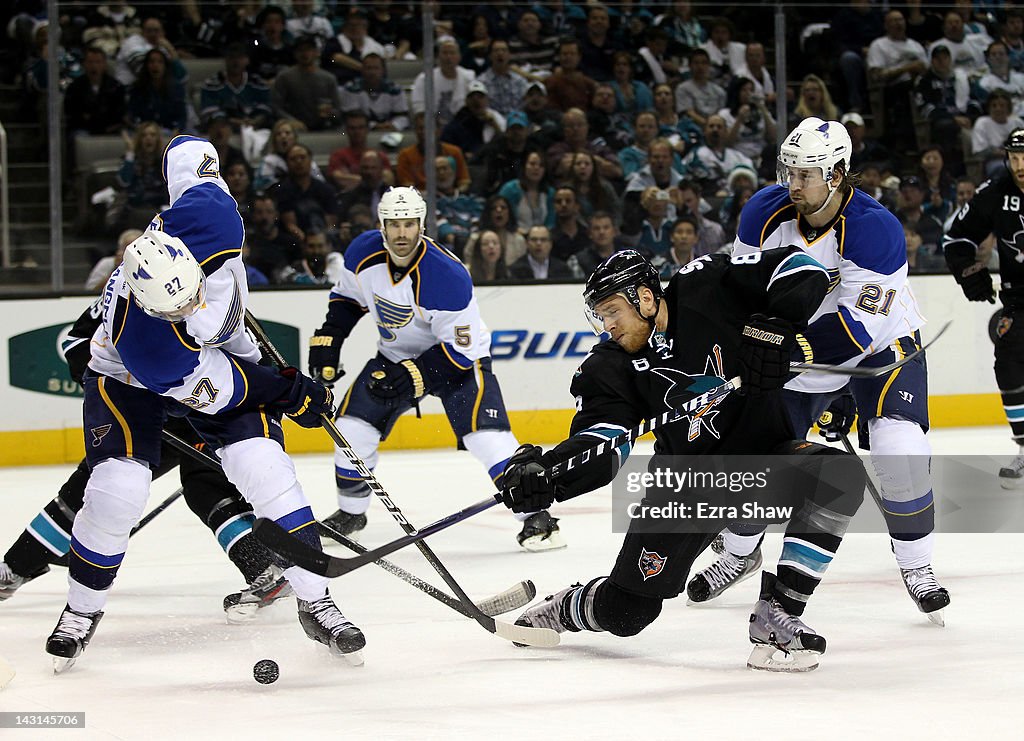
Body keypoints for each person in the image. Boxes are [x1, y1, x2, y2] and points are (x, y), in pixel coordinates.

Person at [44, 136, 363, 672]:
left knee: (265, 466)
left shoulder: (213, 217)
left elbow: (192, 161)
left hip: (210, 357)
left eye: (196, 291)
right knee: (116, 492)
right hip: (130, 385)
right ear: (146, 303)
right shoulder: (151, 348)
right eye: (180, 307)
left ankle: (318, 600)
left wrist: (274, 370)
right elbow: (225, 387)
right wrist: (288, 391)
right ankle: (82, 609)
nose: (193, 303)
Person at [499, 248, 866, 671]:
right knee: (628, 613)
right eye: (601, 316)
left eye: (614, 310)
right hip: (688, 488)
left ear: (646, 297)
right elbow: (603, 441)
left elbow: (802, 269)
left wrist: (775, 328)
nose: (609, 325)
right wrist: (548, 473)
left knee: (838, 475)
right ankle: (568, 607)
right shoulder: (610, 366)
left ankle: (776, 615)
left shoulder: (707, 285)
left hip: (763, 461)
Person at [691, 117, 951, 625]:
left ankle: (918, 565)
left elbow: (856, 329)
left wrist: (817, 376)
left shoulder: (875, 229)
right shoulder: (763, 212)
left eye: (804, 174)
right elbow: (743, 292)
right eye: (787, 171)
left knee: (900, 449)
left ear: (836, 173)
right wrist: (752, 347)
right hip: (800, 346)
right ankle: (740, 552)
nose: (791, 184)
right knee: (754, 454)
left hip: (880, 346)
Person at [306, 187, 564, 551]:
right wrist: (330, 339)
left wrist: (414, 375)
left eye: (409, 224)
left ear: (422, 225)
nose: (401, 234)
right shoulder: (362, 253)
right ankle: (350, 515)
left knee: (486, 437)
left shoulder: (446, 276)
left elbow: (460, 349)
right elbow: (349, 299)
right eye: (394, 224)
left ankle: (537, 516)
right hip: (394, 356)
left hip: (458, 361)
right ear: (381, 225)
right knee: (351, 428)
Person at [945, 127, 1024, 487]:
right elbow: (956, 235)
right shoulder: (995, 192)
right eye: (1014, 157)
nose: (1020, 165)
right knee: (1008, 366)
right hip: (1020, 301)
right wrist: (967, 270)